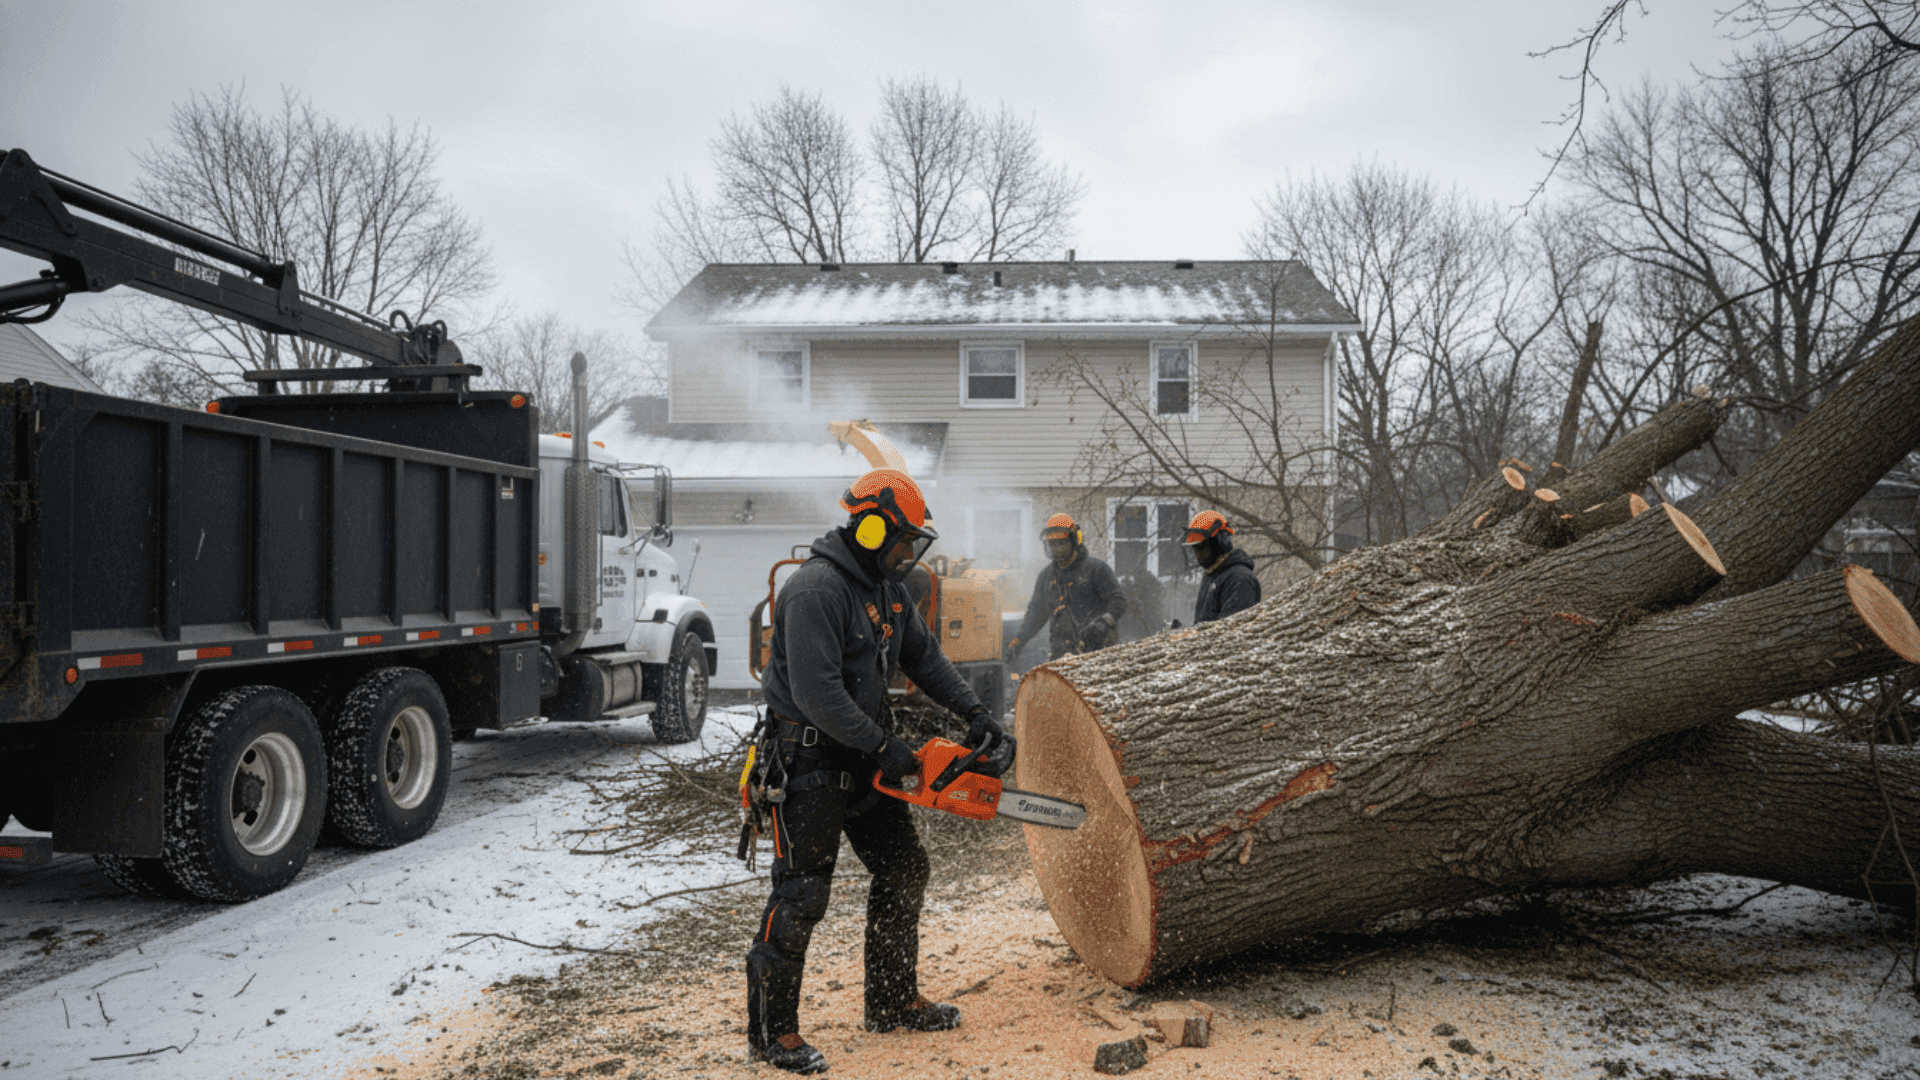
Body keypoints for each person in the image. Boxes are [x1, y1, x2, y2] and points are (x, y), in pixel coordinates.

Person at [748, 468, 1005, 1075]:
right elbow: (818, 694)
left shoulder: (888, 589)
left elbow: (923, 656)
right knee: (802, 894)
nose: (908, 551)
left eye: (914, 541)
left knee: (904, 866)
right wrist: (885, 745)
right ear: (869, 528)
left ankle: (891, 1000)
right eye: (903, 539)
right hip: (809, 760)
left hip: (862, 760)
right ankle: (772, 1032)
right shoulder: (816, 590)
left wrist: (975, 713)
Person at [1005, 513, 1128, 664]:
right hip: (1061, 653)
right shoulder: (1046, 577)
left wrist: (1104, 622)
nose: (1057, 549)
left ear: (1075, 541)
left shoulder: (1096, 570)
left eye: (1062, 543)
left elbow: (1119, 602)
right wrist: (1019, 641)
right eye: (1052, 544)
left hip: (1097, 652)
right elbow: (1035, 614)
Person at [1184, 510, 1261, 623]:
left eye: (1200, 547)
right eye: (1194, 549)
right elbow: (1205, 625)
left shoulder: (1239, 579)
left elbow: (1230, 629)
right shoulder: (1212, 576)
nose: (1197, 555)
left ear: (1219, 542)